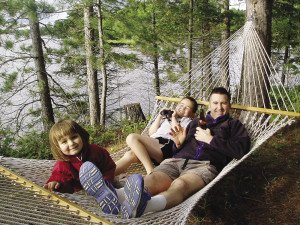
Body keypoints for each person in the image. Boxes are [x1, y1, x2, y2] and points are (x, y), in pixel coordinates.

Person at [78, 87, 251, 218]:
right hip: (177, 160)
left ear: (229, 104)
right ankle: (115, 196)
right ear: (209, 103)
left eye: (223, 103)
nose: (219, 107)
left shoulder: (234, 126)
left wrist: (211, 140)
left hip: (204, 166)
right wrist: (177, 143)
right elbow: (177, 149)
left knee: (180, 185)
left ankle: (146, 206)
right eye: (215, 102)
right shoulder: (196, 122)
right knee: (152, 178)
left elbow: (241, 150)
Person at [43, 120, 120, 214]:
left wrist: (106, 182)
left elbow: (108, 166)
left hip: (107, 185)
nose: (71, 143)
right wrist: (55, 183)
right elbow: (59, 176)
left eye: (74, 137)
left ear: (81, 135)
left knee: (116, 191)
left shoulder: (96, 151)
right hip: (84, 195)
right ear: (58, 147)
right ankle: (116, 205)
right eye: (64, 142)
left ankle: (129, 203)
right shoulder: (63, 164)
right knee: (107, 199)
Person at [115, 96, 198, 175]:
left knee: (132, 137)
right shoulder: (167, 118)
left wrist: (173, 117)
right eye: (181, 104)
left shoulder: (188, 122)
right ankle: (107, 174)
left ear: (193, 114)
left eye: (187, 108)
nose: (182, 108)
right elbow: (152, 133)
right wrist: (159, 116)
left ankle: (151, 172)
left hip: (166, 147)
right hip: (154, 145)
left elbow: (176, 132)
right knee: (130, 155)